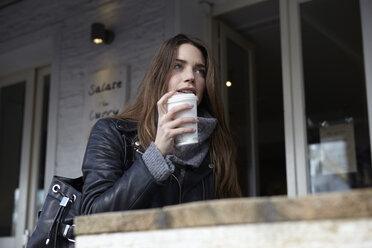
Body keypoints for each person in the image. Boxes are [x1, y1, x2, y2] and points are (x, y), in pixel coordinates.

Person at [80, 34, 241, 214]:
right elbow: (92, 215)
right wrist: (156, 154)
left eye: (200, 70)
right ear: (159, 76)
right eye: (178, 66)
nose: (190, 77)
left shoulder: (217, 143)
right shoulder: (112, 132)